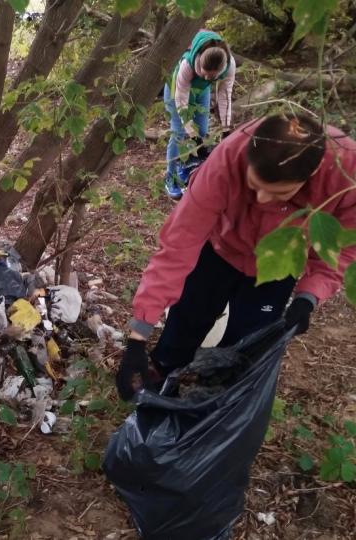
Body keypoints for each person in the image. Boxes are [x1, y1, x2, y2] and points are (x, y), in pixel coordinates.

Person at [116, 113, 356, 401]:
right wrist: (138, 337)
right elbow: (178, 246)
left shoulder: (346, 176)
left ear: (312, 173)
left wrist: (309, 296)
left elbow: (342, 246)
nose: (262, 201)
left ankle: (217, 401)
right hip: (220, 248)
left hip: (278, 264)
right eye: (254, 187)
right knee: (187, 319)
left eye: (279, 193)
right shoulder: (226, 161)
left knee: (246, 345)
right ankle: (165, 375)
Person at [164, 30, 236, 200]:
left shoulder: (229, 65)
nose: (206, 76)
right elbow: (181, 102)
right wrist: (191, 134)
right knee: (179, 133)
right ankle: (171, 176)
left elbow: (225, 96)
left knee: (202, 131)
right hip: (177, 91)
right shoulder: (187, 65)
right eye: (204, 73)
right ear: (199, 62)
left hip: (201, 91)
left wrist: (226, 129)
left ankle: (186, 167)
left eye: (212, 76)